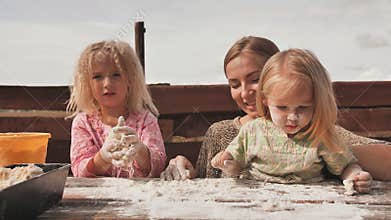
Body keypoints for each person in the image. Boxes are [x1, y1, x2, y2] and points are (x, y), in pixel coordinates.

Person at [160, 36, 390, 181]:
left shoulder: (311, 129)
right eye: (234, 84)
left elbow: (384, 159)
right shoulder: (220, 132)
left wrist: (320, 152)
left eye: (255, 79)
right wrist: (181, 164)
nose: (245, 92)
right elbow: (205, 182)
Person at [211, 48, 371, 193]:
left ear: (317, 103)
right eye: (282, 108)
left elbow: (345, 166)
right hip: (258, 198)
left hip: (309, 200)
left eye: (303, 108)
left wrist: (355, 176)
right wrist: (227, 163)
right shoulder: (253, 131)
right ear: (265, 99)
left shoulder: (320, 134)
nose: (292, 117)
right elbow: (236, 167)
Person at [67, 40, 166, 178]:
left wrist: (141, 152)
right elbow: (79, 169)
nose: (107, 83)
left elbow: (158, 165)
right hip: (96, 197)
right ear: (87, 84)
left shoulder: (146, 121)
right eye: (97, 77)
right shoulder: (83, 123)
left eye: (116, 74)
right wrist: (102, 158)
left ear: (130, 79)